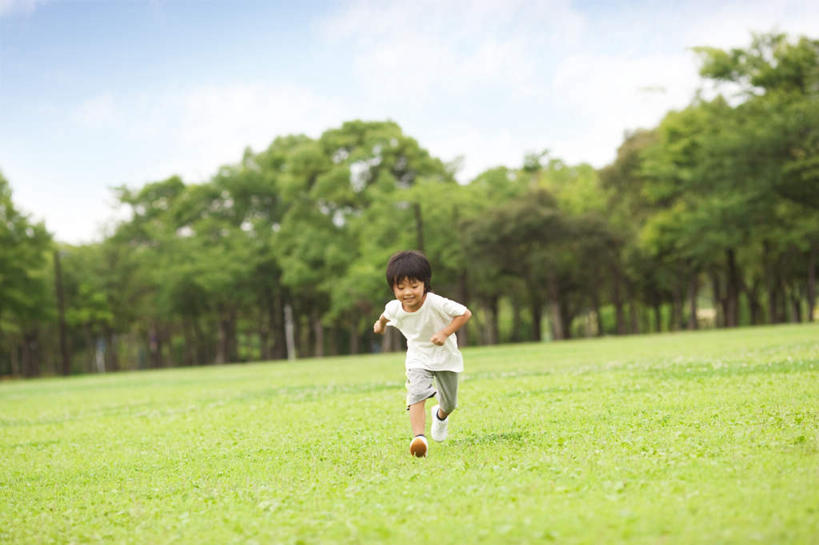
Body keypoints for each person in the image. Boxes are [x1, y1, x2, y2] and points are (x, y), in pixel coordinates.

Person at [373, 250, 472, 457]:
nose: (407, 292)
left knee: (450, 403)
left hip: (445, 357)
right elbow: (384, 316)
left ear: (425, 284)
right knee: (416, 392)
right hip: (418, 357)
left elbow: (465, 313)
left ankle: (440, 415)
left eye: (414, 286)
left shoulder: (436, 303)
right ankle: (419, 438)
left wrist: (445, 332)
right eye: (400, 288)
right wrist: (380, 326)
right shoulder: (394, 308)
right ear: (393, 288)